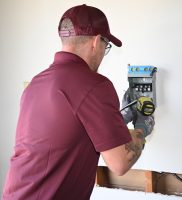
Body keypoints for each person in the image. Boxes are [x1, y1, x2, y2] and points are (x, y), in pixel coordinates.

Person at [2, 4, 155, 200]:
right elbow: (120, 163)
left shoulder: (36, 84)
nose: (102, 53)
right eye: (106, 46)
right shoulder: (95, 85)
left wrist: (119, 118)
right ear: (96, 41)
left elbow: (71, 131)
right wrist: (141, 128)